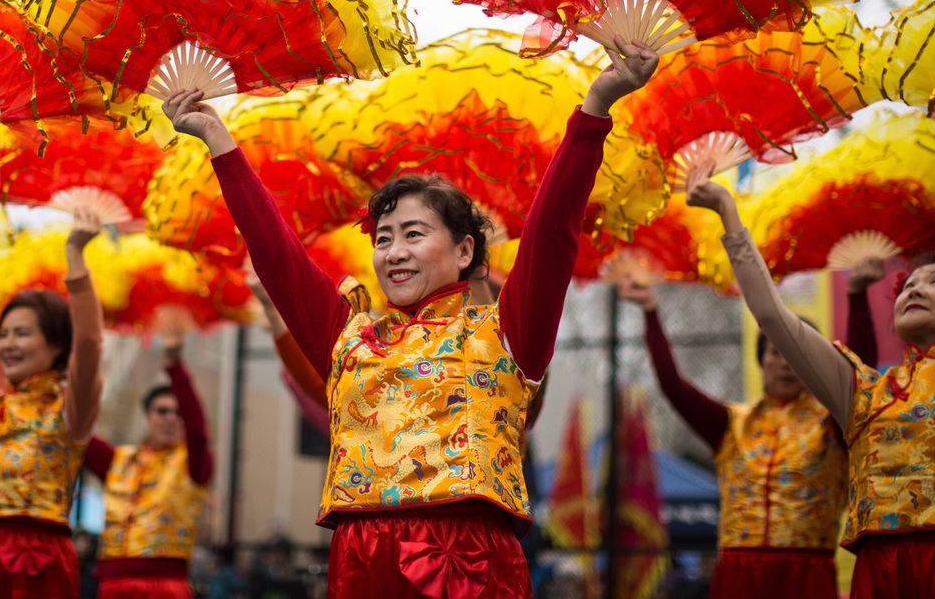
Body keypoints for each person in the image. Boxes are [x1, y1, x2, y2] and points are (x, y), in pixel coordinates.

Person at [161, 35, 659, 597]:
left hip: (467, 559)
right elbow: (277, 254)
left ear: (465, 251)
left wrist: (594, 108)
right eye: (383, 238)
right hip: (358, 559)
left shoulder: (507, 332)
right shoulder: (348, 333)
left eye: (413, 234)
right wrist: (218, 139)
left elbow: (552, 233)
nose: (393, 251)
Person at [685, 161, 935, 598]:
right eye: (907, 286)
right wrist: (728, 214)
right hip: (878, 571)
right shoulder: (863, 389)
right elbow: (773, 316)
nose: (915, 290)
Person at [623, 257, 881, 598]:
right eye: (776, 351)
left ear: (816, 365)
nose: (787, 361)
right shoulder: (731, 423)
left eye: (799, 353)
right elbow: (673, 387)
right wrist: (651, 312)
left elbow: (856, 377)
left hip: (807, 571)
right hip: (737, 572)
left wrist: (856, 294)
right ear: (762, 361)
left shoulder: (831, 421)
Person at [0, 208, 107, 598]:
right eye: (4, 334)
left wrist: (75, 256)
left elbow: (89, 345)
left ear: (55, 346)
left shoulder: (70, 407)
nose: (9, 344)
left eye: (23, 334)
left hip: (39, 556)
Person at [83, 320, 213, 599]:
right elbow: (78, 434)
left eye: (177, 413)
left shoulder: (194, 464)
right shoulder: (119, 459)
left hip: (165, 586)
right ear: (147, 418)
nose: (170, 419)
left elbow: (198, 432)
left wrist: (174, 366)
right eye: (162, 411)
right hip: (112, 585)